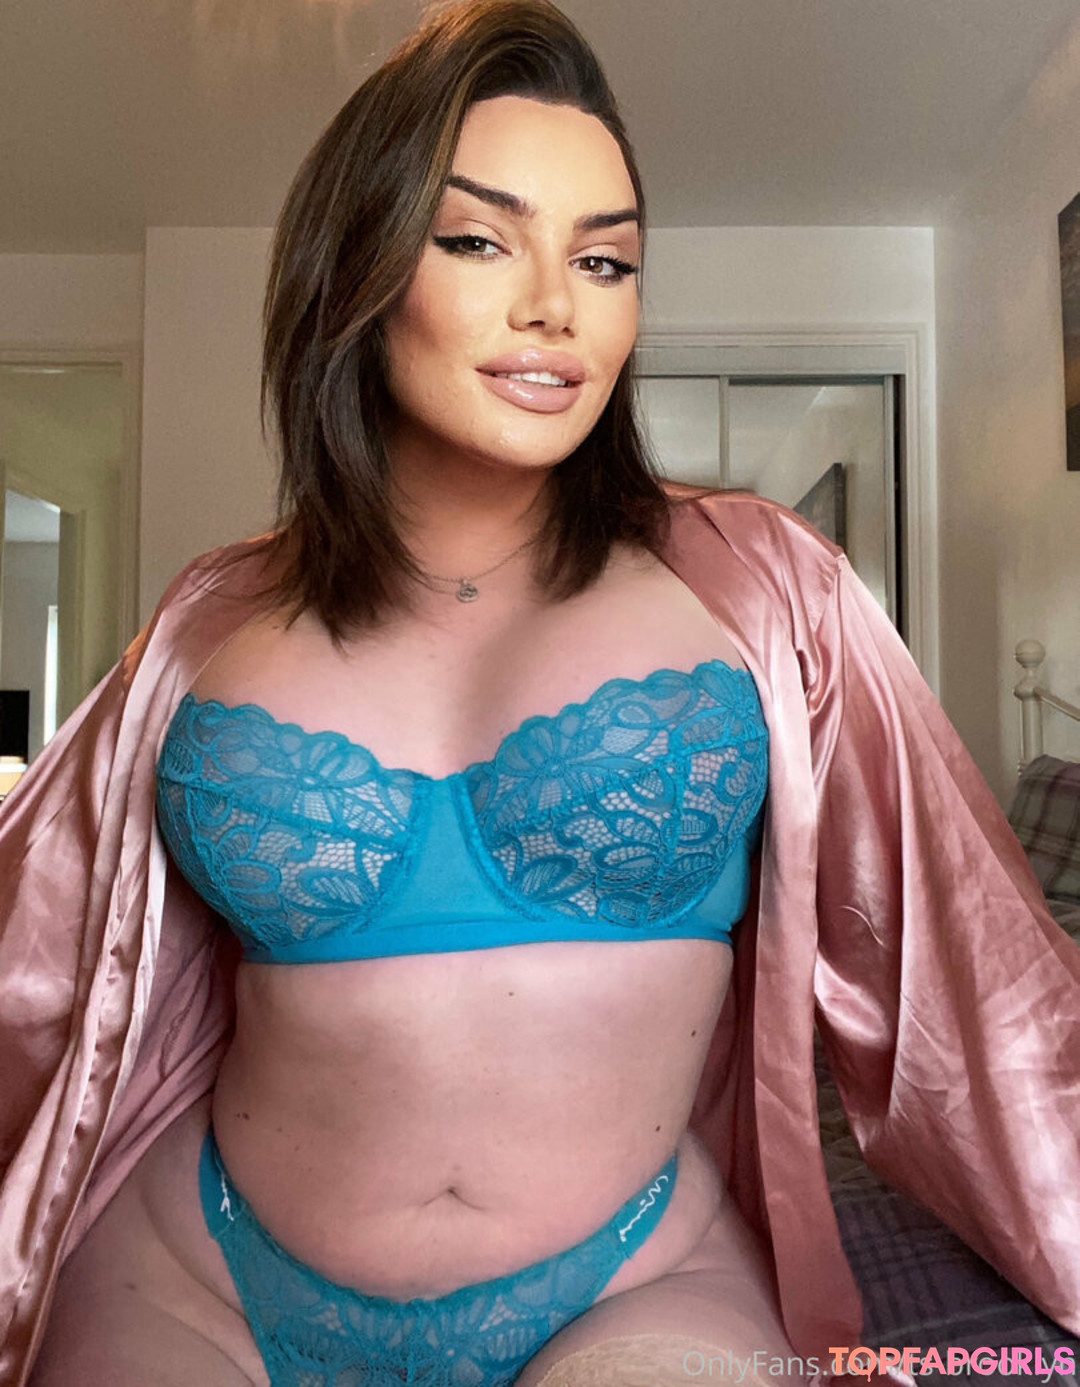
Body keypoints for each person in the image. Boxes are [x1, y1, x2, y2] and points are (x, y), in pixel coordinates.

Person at [2, 3, 1079, 1385]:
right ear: (360, 263)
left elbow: (973, 986)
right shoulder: (208, 623)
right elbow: (39, 959)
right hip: (193, 1278)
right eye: (477, 241)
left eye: (605, 258)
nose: (555, 307)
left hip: (630, 1282)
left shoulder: (762, 590)